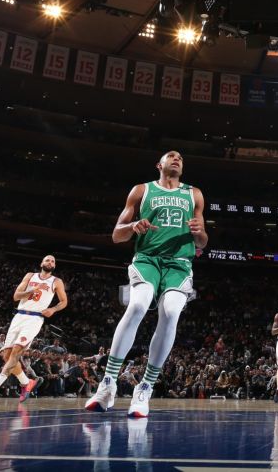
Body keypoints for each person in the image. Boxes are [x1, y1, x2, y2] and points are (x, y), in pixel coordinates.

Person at [86, 150, 207, 418]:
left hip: (179, 263)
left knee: (172, 312)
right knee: (138, 305)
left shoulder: (194, 194)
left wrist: (200, 233)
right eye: (171, 155)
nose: (177, 158)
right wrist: (133, 226)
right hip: (147, 259)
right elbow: (117, 235)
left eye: (181, 158)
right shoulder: (141, 190)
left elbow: (202, 242)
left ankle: (146, 387)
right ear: (159, 164)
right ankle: (108, 383)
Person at [0, 255, 67, 402]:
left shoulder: (56, 281)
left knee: (16, 352)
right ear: (41, 263)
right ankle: (27, 383)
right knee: (6, 357)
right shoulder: (30, 276)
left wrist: (53, 309)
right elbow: (16, 296)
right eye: (47, 260)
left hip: (34, 319)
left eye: (53, 261)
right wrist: (32, 290)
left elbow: (64, 301)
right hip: (19, 316)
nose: (50, 262)